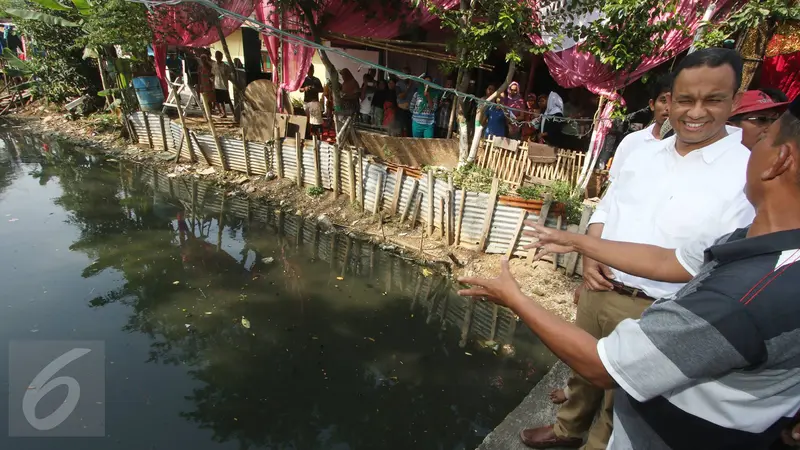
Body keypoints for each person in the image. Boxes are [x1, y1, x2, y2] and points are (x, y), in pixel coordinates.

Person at [500, 95, 800, 450]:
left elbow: (605, 366)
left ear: (779, 160)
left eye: (765, 136)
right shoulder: (753, 243)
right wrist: (580, 243)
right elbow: (668, 261)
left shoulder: (742, 298)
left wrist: (512, 296)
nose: (754, 141)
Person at [608, 74, 672, 181]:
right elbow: (615, 184)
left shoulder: (687, 147)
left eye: (674, 102)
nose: (668, 108)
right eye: (663, 101)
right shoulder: (631, 142)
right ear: (652, 104)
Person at [300, 64, 323, 138]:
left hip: (314, 102)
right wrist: (305, 88)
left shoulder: (317, 80)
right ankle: (307, 134)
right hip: (306, 102)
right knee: (307, 119)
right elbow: (300, 89)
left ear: (313, 71)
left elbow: (322, 90)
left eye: (311, 70)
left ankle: (315, 134)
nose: (309, 72)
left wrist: (314, 89)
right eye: (308, 70)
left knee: (315, 120)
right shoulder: (304, 80)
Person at [211, 51, 233, 118]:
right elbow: (213, 74)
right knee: (220, 101)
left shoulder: (225, 66)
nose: (217, 57)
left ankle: (234, 113)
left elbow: (229, 74)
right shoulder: (214, 64)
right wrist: (213, 84)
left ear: (221, 57)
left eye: (219, 56)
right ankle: (224, 113)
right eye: (216, 56)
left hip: (224, 86)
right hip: (217, 85)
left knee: (228, 101)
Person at [395, 66, 414, 136]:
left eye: (408, 74)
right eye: (404, 74)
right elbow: (400, 96)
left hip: (411, 111)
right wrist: (408, 87)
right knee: (400, 130)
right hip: (401, 110)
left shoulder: (414, 84)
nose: (406, 76)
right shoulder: (398, 84)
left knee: (409, 130)